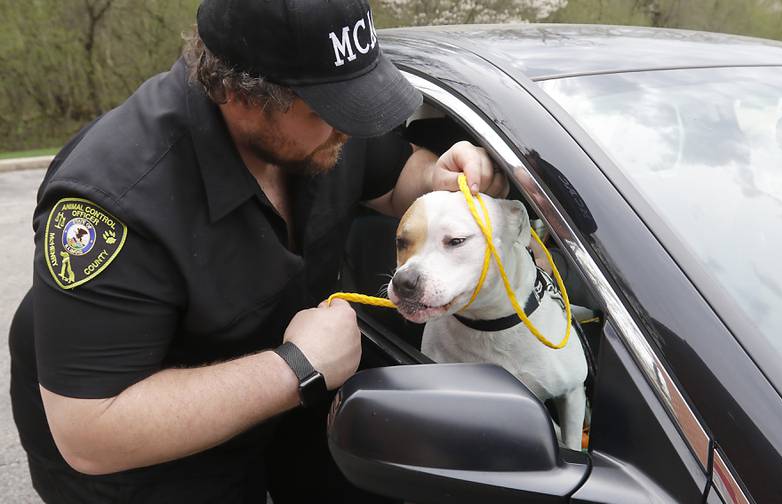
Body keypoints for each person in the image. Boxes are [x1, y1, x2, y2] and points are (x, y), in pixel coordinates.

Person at [8, 0, 508, 502]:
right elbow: (91, 429)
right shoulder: (114, 197)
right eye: (327, 113)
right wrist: (298, 367)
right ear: (233, 91)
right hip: (144, 463)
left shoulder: (320, 124)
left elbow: (394, 176)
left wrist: (439, 179)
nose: (348, 129)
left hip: (272, 410)